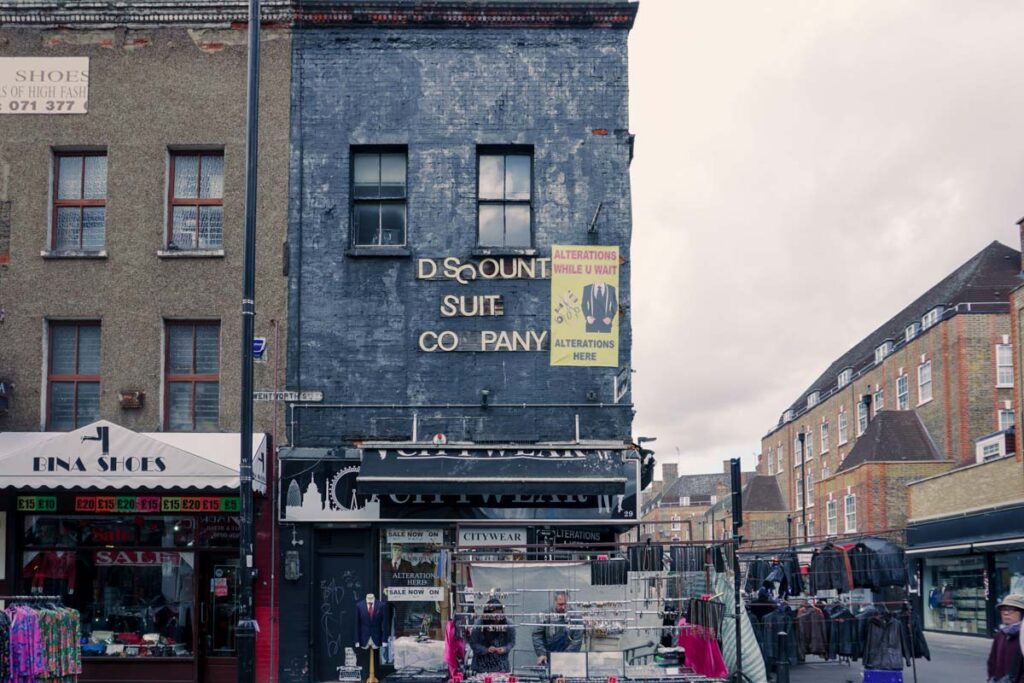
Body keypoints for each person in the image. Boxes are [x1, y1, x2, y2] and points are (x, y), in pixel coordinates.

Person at [533, 591, 582, 666]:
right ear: (555, 602)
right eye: (560, 604)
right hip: (549, 657)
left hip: (569, 658)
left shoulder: (576, 617)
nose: (563, 607)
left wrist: (565, 657)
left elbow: (577, 640)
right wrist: (541, 653)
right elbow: (537, 635)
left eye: (565, 604)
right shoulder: (545, 615)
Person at [470, 597, 514, 673]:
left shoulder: (508, 624)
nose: (497, 618)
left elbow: (511, 642)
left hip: (501, 667)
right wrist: (486, 650)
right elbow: (473, 644)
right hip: (481, 667)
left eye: (499, 614)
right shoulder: (479, 624)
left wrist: (504, 649)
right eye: (494, 615)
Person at [987, 593, 1024, 683]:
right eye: (1003, 609)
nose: (1006, 613)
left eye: (1011, 610)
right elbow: (992, 662)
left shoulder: (1022, 635)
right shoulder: (1000, 635)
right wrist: (991, 678)